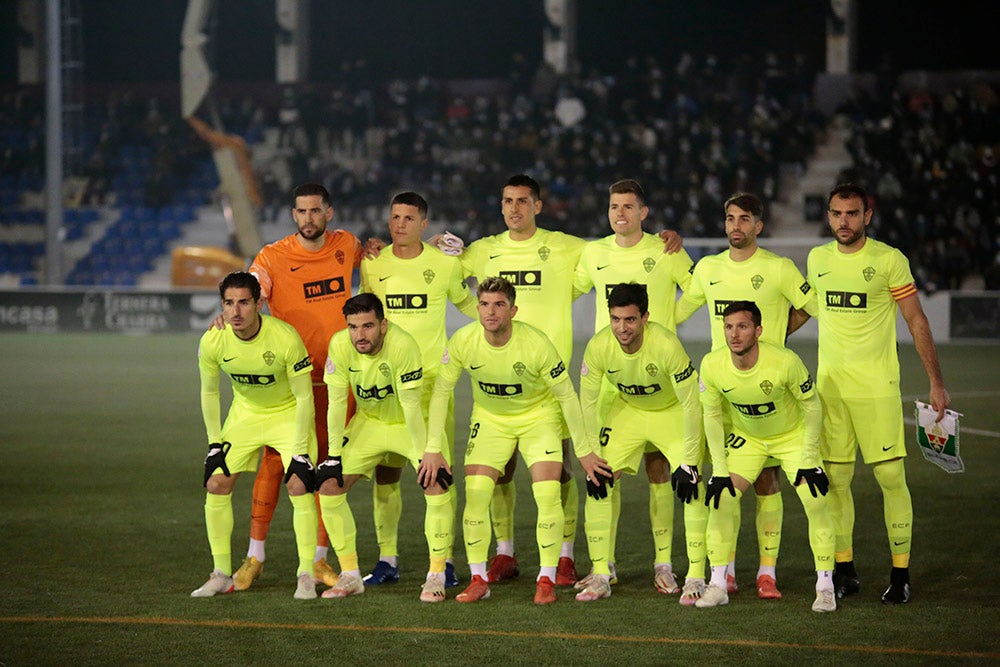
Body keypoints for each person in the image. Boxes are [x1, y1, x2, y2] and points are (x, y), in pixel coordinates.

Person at [457, 174, 681, 586]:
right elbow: (441, 271)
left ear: (538, 206)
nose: (514, 209)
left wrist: (662, 237)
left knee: (560, 468)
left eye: (523, 201)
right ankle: (504, 552)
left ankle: (564, 555)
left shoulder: (568, 247)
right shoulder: (483, 250)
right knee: (500, 470)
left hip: (550, 381)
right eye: (507, 201)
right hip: (498, 380)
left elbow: (620, 246)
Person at [806, 183, 950, 604]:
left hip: (876, 390)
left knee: (890, 477)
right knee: (836, 480)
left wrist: (936, 381)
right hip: (830, 391)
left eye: (852, 213)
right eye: (836, 213)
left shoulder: (889, 260)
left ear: (867, 216)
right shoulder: (817, 259)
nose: (843, 221)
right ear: (829, 216)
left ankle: (900, 576)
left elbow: (916, 321)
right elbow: (805, 309)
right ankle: (845, 570)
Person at [673, 191, 813, 601]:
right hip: (723, 391)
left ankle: (766, 573)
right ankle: (727, 570)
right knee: (724, 483)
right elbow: (678, 309)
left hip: (768, 391)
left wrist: (779, 336)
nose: (736, 225)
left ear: (758, 226)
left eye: (744, 219)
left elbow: (809, 305)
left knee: (769, 481)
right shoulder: (709, 268)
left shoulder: (779, 267)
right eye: (730, 218)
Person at [420, 276, 593, 604]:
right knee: (476, 494)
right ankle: (478, 579)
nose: (490, 311)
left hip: (538, 417)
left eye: (499, 304)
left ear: (513, 309)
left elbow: (568, 396)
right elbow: (442, 390)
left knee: (546, 493)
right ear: (477, 307)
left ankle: (545, 578)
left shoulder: (536, 343)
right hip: (490, 420)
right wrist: (432, 447)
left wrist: (583, 450)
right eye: (484, 304)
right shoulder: (463, 341)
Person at [231, 182, 363, 592]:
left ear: (329, 213)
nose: (308, 218)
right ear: (293, 215)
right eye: (301, 211)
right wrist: (231, 311)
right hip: (291, 383)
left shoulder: (348, 245)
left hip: (338, 381)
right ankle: (255, 557)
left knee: (327, 466)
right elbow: (252, 290)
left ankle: (319, 561)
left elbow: (387, 252)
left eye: (315, 211)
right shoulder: (272, 257)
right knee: (273, 464)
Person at [572, 179, 700, 596]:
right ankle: (603, 565)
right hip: (611, 379)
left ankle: (665, 564)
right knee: (602, 474)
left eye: (628, 206)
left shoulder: (664, 249)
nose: (620, 213)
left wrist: (670, 318)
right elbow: (565, 288)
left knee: (661, 471)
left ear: (643, 213)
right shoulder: (593, 253)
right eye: (613, 206)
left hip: (657, 371)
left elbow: (700, 288)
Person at [358, 191, 478, 588]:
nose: (400, 224)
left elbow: (468, 303)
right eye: (395, 217)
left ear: (424, 224)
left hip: (431, 386)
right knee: (386, 474)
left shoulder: (443, 263)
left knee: (437, 475)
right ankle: (387, 559)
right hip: (386, 385)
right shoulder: (374, 264)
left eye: (409, 218)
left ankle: (442, 562)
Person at [688, 301, 836, 612]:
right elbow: (712, 416)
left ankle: (825, 586)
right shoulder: (713, 365)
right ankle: (717, 584)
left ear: (758, 330)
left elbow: (812, 406)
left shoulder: (785, 362)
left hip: (791, 438)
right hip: (750, 440)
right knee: (721, 499)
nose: (734, 334)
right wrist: (719, 469)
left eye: (742, 327)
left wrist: (809, 458)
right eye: (728, 327)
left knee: (816, 499)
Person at [316, 293, 454, 602]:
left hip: (411, 423)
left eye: (367, 326)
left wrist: (428, 455)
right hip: (370, 423)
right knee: (328, 485)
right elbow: (337, 404)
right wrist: (333, 456)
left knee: (436, 482)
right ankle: (350, 575)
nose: (359, 335)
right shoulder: (340, 345)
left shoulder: (403, 345)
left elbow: (411, 407)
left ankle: (436, 574)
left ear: (383, 325)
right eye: (353, 327)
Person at [191, 271, 319, 600]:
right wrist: (214, 444)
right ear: (222, 306)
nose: (236, 311)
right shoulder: (213, 340)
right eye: (229, 303)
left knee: (298, 483)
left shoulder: (285, 337)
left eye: (244, 303)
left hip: (288, 414)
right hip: (246, 414)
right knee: (216, 482)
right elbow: (209, 394)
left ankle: (306, 573)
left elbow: (305, 397)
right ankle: (220, 573)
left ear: (259, 304)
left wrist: (302, 450)